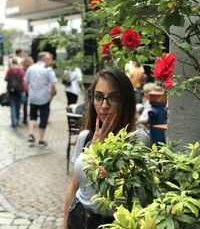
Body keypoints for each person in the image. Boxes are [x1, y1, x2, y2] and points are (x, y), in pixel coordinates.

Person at [62, 68, 150, 229]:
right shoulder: (86, 137)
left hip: (111, 222)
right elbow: (74, 186)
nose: (104, 105)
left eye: (113, 98)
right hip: (78, 217)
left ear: (126, 101)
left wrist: (101, 152)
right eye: (99, 97)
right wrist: (63, 224)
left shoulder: (137, 139)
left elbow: (131, 192)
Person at [25, 52, 57, 147]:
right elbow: (53, 85)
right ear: (44, 59)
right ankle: (41, 139)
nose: (50, 60)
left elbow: (26, 82)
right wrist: (51, 96)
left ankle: (31, 133)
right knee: (44, 118)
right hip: (44, 98)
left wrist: (29, 93)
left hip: (33, 97)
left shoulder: (31, 68)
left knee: (32, 116)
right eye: (49, 59)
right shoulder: (48, 70)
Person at [4, 58, 26, 127]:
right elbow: (23, 81)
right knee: (18, 105)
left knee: (12, 105)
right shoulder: (21, 71)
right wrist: (24, 90)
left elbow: (6, 79)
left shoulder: (9, 70)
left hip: (11, 90)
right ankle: (17, 119)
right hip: (19, 90)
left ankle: (14, 121)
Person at [21, 55, 34, 124]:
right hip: (32, 88)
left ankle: (25, 119)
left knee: (24, 104)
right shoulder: (33, 69)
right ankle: (32, 117)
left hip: (24, 88)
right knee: (32, 103)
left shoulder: (22, 69)